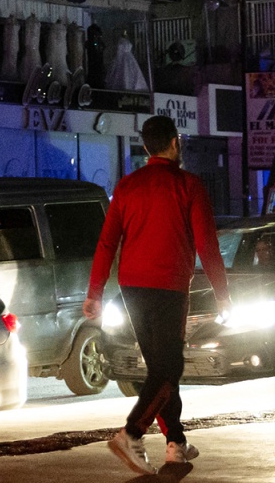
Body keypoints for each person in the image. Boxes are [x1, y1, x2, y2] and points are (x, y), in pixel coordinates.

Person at [84, 115, 230, 475]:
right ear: (175, 143)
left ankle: (176, 443)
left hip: (132, 287)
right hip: (169, 287)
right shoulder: (189, 185)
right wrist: (222, 293)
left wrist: (95, 292)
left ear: (146, 146)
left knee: (160, 368)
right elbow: (207, 244)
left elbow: (107, 242)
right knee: (169, 367)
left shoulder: (128, 186)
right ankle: (132, 433)